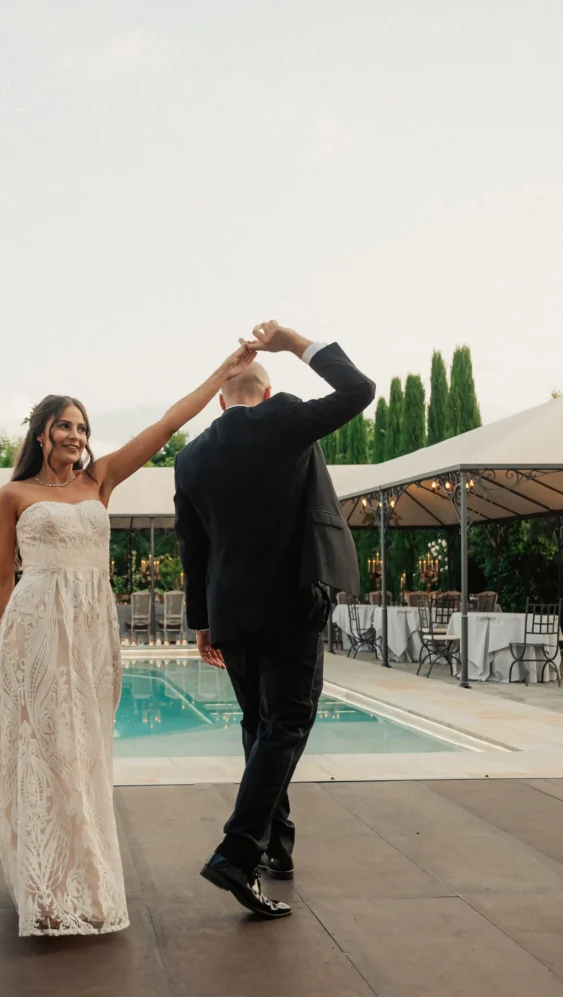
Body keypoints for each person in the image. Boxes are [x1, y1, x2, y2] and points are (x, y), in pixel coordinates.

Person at [0, 338, 259, 937]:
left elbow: (166, 426)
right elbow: (3, 581)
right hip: (33, 630)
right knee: (43, 754)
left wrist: (222, 373)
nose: (76, 436)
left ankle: (87, 879)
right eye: (64, 426)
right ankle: (44, 887)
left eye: (82, 427)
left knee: (84, 753)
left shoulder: (100, 481)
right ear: (41, 434)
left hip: (88, 630)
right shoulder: (13, 496)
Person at [174, 319, 374, 918]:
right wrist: (293, 342)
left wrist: (203, 622)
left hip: (231, 614)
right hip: (291, 603)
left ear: (219, 400)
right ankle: (238, 851)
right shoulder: (283, 418)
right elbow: (358, 391)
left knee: (259, 726)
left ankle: (275, 848)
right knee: (286, 724)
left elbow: (193, 547)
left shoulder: (191, 458)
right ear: (264, 394)